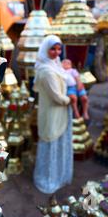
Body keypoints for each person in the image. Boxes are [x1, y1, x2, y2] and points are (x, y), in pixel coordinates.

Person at [33, 35, 73, 194]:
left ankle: (58, 176)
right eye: (53, 48)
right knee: (51, 143)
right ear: (45, 49)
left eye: (58, 48)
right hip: (52, 113)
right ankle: (48, 178)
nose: (57, 52)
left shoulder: (55, 65)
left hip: (59, 112)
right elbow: (57, 97)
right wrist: (71, 99)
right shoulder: (47, 71)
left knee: (57, 142)